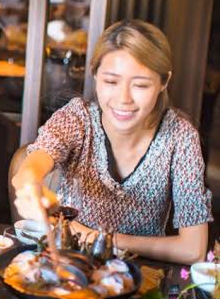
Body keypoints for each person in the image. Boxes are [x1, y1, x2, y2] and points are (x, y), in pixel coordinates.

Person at [12, 19, 213, 264]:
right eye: (111, 82)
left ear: (164, 82)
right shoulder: (77, 119)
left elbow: (193, 250)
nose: (123, 98)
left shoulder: (180, 137)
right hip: (68, 265)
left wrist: (98, 238)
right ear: (94, 74)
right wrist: (29, 183)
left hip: (139, 275)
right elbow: (32, 164)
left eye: (140, 85)